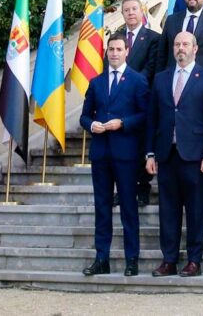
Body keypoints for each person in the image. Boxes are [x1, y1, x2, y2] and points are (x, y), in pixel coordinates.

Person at [146, 31, 203, 277]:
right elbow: (152, 119)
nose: (181, 48)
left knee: (197, 210)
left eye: (185, 44)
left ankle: (194, 260)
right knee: (168, 210)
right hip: (167, 154)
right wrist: (149, 153)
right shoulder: (161, 79)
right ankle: (169, 259)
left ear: (195, 49)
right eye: (177, 44)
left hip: (197, 156)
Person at [79, 33, 149, 277]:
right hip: (101, 153)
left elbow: (145, 116)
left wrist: (124, 123)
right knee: (102, 207)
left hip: (127, 154)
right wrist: (92, 125)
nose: (115, 53)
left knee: (129, 207)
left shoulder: (138, 81)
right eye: (111, 49)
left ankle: (132, 259)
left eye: (119, 49)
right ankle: (102, 258)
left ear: (127, 51)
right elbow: (84, 116)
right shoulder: (96, 82)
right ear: (106, 52)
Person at [116, 0, 160, 206]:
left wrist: (130, 84)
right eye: (127, 10)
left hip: (142, 98)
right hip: (119, 101)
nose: (131, 13)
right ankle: (123, 188)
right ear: (122, 13)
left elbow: (151, 68)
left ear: (141, 11)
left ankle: (143, 187)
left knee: (142, 145)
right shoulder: (116, 38)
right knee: (122, 147)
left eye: (134, 9)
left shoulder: (153, 38)